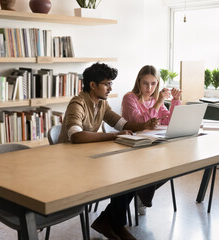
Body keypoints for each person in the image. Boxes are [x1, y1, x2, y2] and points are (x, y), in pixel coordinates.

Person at [58, 63, 158, 240]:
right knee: (123, 176)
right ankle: (114, 224)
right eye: (107, 84)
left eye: (111, 84)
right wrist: (113, 136)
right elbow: (76, 137)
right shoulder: (78, 103)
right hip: (71, 162)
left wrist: (144, 125)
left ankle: (113, 223)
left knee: (129, 175)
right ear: (93, 85)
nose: (110, 88)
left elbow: (123, 124)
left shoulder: (102, 103)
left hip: (90, 158)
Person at [121, 65, 182, 214]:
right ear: (138, 82)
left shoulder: (155, 100)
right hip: (132, 147)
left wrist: (175, 100)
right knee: (157, 165)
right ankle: (141, 194)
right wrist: (159, 103)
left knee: (172, 166)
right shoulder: (130, 98)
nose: (149, 88)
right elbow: (139, 121)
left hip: (153, 145)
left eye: (153, 83)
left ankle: (141, 194)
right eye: (145, 83)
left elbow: (169, 121)